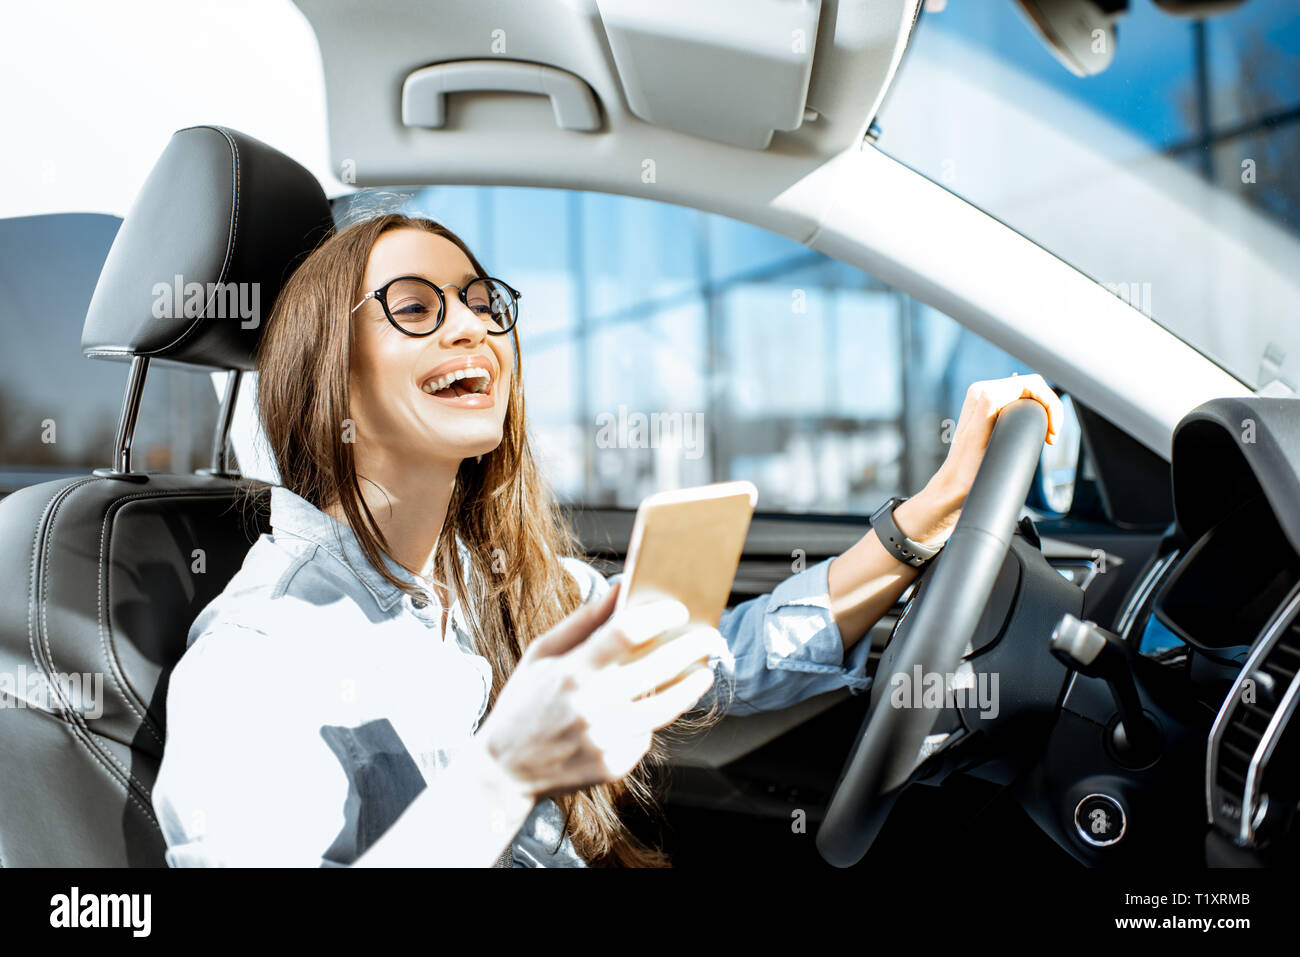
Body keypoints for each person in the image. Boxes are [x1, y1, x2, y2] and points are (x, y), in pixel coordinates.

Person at [150, 213, 1063, 868]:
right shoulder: (259, 658)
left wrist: (928, 517)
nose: (472, 325)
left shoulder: (486, 575)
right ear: (331, 379)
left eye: (480, 302)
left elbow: (723, 660)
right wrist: (505, 771)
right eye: (416, 308)